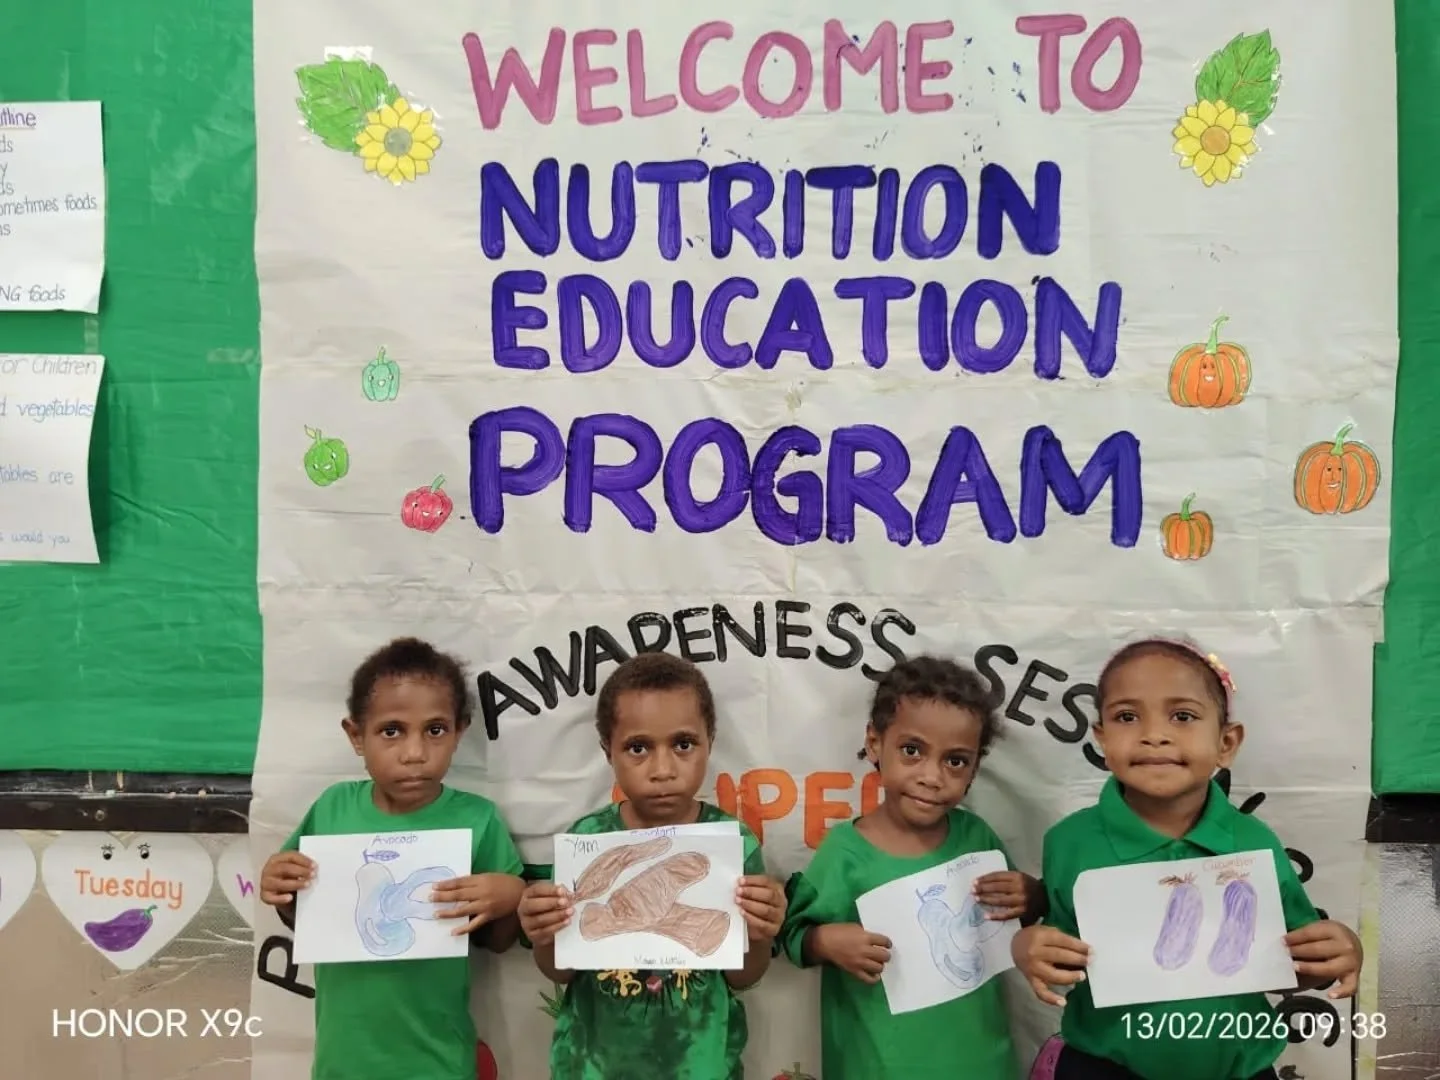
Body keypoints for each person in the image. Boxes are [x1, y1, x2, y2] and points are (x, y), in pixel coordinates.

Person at [1010, 637, 1364, 1080]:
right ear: (1101, 737)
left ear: (1226, 742)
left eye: (1182, 716)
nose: (1154, 735)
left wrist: (1338, 952)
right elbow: (1064, 956)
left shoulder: (1254, 843)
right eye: (1127, 716)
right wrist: (1027, 948)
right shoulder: (1070, 842)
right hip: (1103, 1067)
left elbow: (1293, 965)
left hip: (1237, 1070)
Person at [258, 637, 526, 1080]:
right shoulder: (332, 808)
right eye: (391, 731)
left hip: (440, 1063)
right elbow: (305, 916)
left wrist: (509, 895)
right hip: (343, 1063)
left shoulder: (477, 819)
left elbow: (498, 942)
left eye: (435, 730)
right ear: (356, 736)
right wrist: (280, 886)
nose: (414, 753)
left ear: (459, 731)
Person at [516, 651, 787, 1079]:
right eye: (638, 748)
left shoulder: (733, 843)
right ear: (608, 752)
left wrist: (759, 933)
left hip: (699, 1064)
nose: (662, 770)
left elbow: (743, 977)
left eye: (683, 744)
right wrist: (543, 935)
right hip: (594, 1066)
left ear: (710, 743)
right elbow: (561, 971)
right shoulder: (588, 840)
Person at [776, 655, 1046, 1080]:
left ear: (975, 767)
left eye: (955, 761)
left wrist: (1033, 896)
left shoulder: (977, 838)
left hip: (981, 1064)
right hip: (876, 1066)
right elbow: (791, 934)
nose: (931, 777)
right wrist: (825, 941)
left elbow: (1013, 920)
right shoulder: (846, 851)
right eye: (912, 751)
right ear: (875, 743)